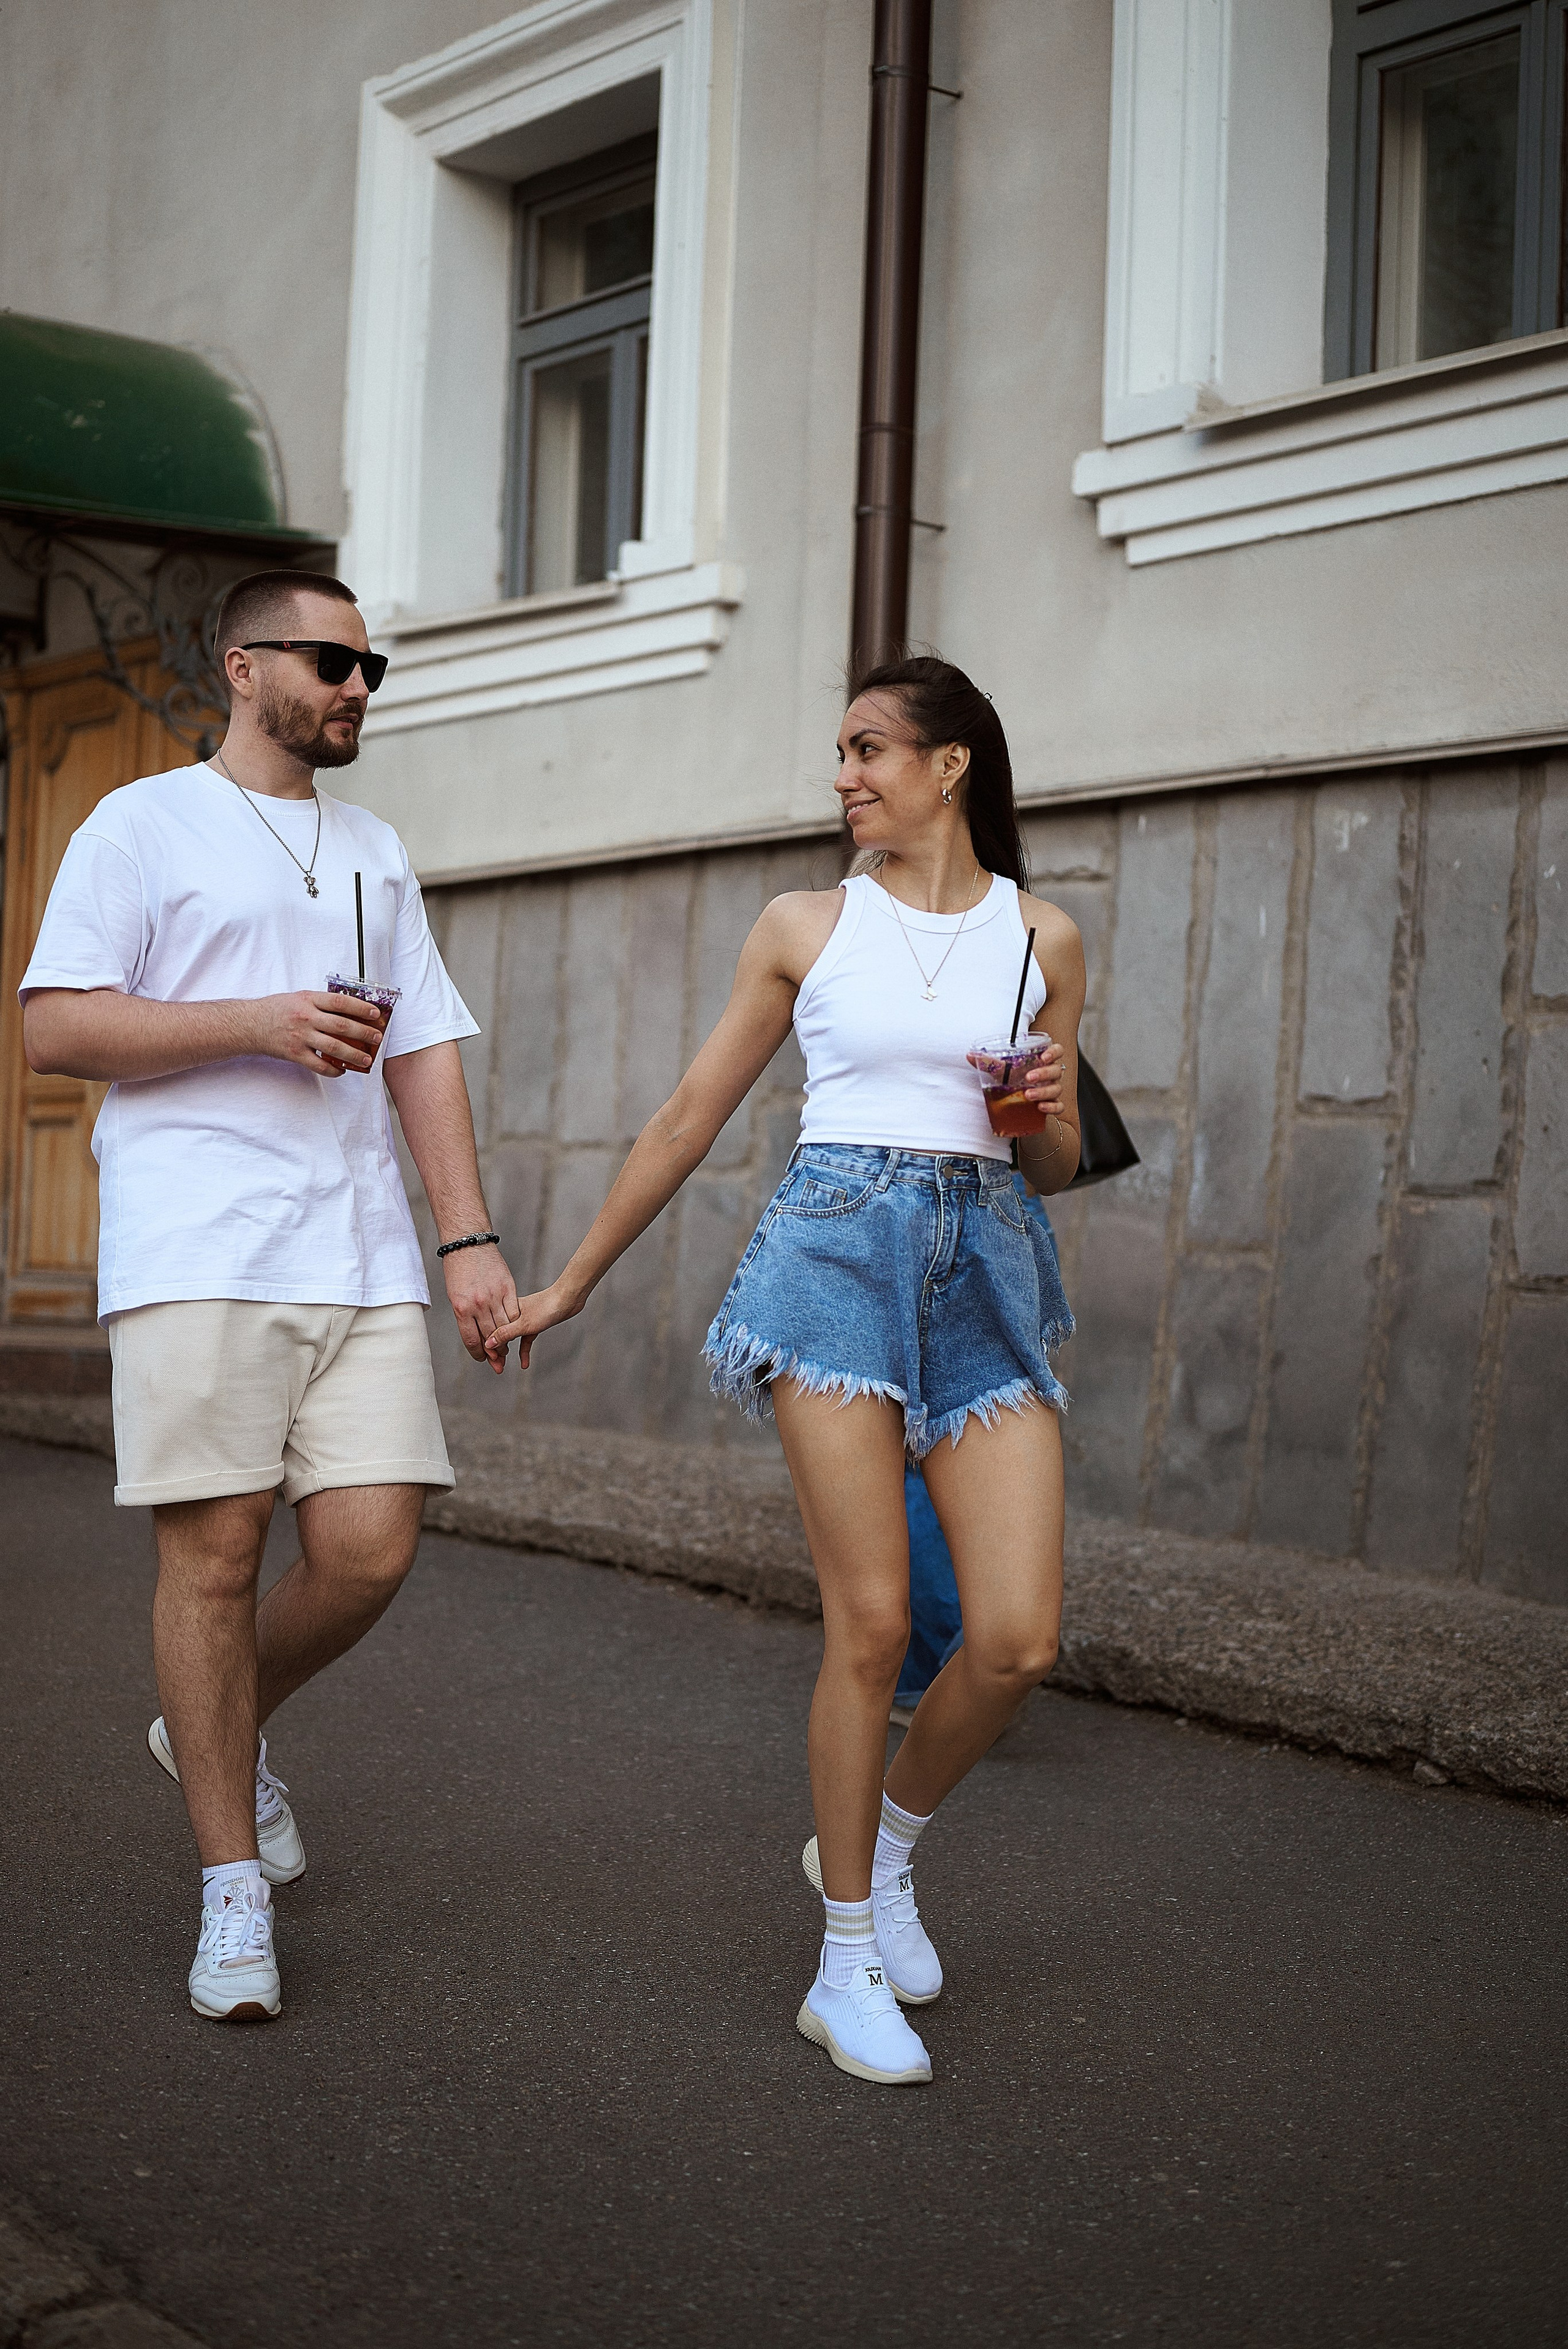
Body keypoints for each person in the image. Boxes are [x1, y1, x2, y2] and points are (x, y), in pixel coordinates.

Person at [484, 654, 1082, 2086]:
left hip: (984, 1270)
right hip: (831, 1266)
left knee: (1014, 1641)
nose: (843, 773)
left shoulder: (1041, 936)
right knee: (868, 1623)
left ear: (948, 764)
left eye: (869, 748)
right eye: (840, 750)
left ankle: (880, 1843)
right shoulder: (804, 924)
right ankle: (843, 1958)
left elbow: (1048, 1163)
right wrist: (570, 1281)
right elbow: (687, 1115)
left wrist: (1048, 1108)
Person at [20, 569, 517, 2024]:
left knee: (367, 1551)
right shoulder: (139, 824)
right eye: (331, 662)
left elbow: (423, 1046)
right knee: (218, 1555)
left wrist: (466, 1236)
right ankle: (232, 1884)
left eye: (371, 669)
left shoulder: (374, 848)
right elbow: (55, 1025)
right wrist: (258, 1021)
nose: (358, 688)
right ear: (243, 666)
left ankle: (211, 1728)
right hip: (200, 1244)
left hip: (357, 1250)